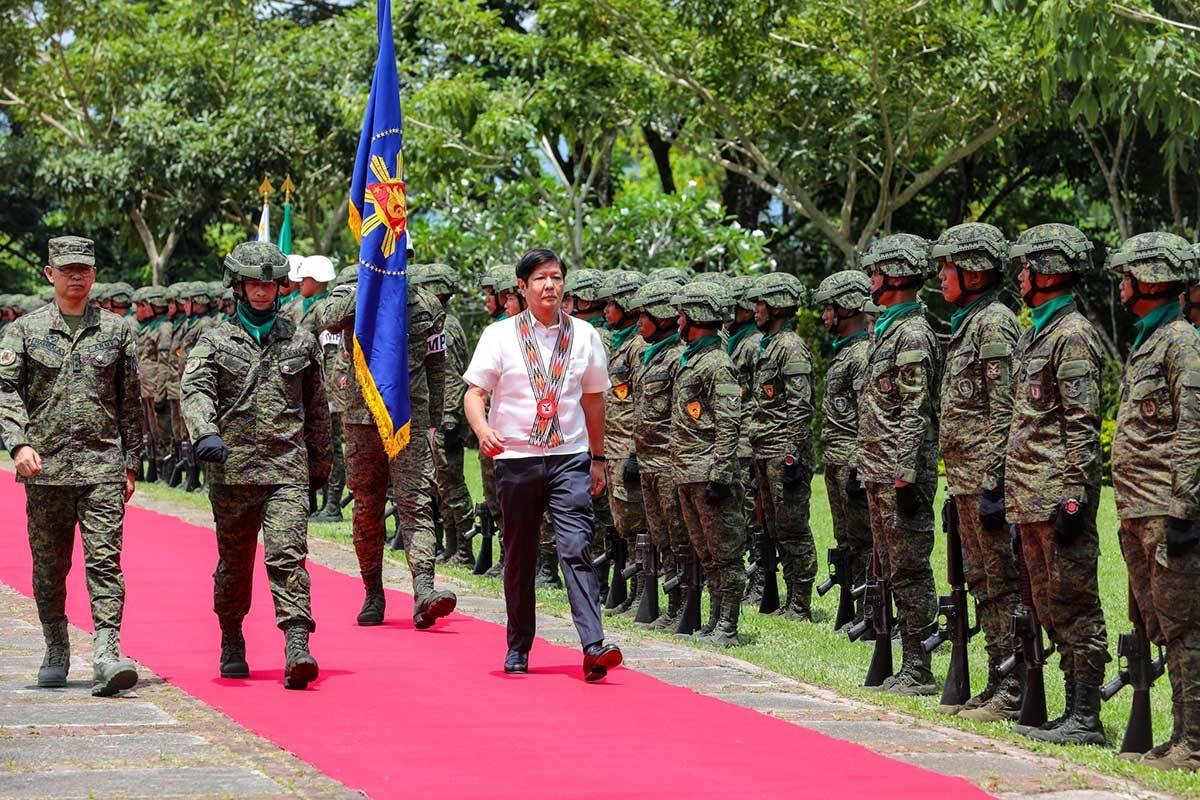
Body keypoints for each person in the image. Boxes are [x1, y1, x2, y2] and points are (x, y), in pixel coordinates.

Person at [463, 248, 622, 681]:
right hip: (516, 459)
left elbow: (593, 399)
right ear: (522, 287)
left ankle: (593, 645)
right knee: (519, 554)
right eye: (539, 279)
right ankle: (518, 645)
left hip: (568, 457)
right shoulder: (499, 336)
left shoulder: (586, 335)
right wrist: (482, 431)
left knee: (576, 547)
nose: (549, 285)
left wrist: (598, 457)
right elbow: (474, 395)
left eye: (555, 277)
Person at [181, 241, 332, 690]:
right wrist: (205, 432)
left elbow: (316, 407)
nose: (262, 291)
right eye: (254, 284)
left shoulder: (300, 340)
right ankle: (231, 636)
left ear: (279, 288)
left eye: (269, 284)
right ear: (238, 287)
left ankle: (297, 645)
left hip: (286, 469)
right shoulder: (213, 338)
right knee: (235, 562)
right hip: (232, 471)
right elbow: (196, 390)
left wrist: (322, 466)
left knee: (288, 557)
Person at [0, 235, 142, 697]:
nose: (76, 276)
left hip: (101, 465)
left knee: (105, 561)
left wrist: (131, 462)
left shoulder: (118, 331)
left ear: (94, 274)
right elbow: (7, 393)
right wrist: (17, 445)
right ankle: (56, 644)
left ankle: (106, 651)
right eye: (67, 269)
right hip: (46, 470)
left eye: (83, 268)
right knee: (49, 566)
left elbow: (130, 402)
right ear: (50, 274)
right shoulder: (23, 332)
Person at [1006, 223, 1108, 744]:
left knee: (1075, 604)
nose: (1020, 275)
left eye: (1027, 267)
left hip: (1056, 497)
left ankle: (1086, 716)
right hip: (1029, 496)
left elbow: (1081, 421)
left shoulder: (1071, 334)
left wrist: (1074, 495)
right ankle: (1070, 709)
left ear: (1048, 271)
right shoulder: (1035, 332)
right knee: (1048, 605)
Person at [316, 260, 459, 629]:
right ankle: (372, 592)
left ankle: (424, 590)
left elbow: (436, 365)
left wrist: (435, 422)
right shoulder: (353, 291)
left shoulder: (426, 304)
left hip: (408, 420)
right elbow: (326, 318)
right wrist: (369, 287)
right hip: (362, 420)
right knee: (367, 508)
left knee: (416, 504)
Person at [1108, 232, 1200, 767]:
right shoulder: (1151, 339)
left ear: (1152, 278)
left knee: (1186, 628)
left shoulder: (1182, 342)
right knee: (1160, 624)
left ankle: (1195, 743)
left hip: (1167, 513)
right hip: (1138, 510)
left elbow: (1192, 431)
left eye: (1127, 275)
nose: (1121, 285)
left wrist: (1184, 508)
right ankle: (1180, 734)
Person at [931, 223, 1023, 720]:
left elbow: (1002, 410)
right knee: (981, 581)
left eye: (950, 266)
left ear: (975, 270)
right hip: (964, 479)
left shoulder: (995, 324)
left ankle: (1012, 690)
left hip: (985, 480)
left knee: (1001, 582)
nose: (942, 275)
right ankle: (996, 680)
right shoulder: (971, 322)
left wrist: (994, 482)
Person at [857, 233, 943, 696]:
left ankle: (919, 665)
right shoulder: (888, 328)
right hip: (879, 468)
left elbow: (913, 408)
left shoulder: (911, 332)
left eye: (876, 271)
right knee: (890, 567)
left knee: (909, 568)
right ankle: (902, 657)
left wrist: (906, 474)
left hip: (899, 473)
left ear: (895, 276)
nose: (871, 279)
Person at [670, 282, 745, 646]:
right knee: (707, 553)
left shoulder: (717, 364)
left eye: (683, 314)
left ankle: (728, 625)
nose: (678, 320)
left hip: (708, 473)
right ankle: (715, 620)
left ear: (698, 316)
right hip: (687, 471)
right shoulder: (694, 359)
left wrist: (721, 473)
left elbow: (729, 423)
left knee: (726, 553)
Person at [746, 271, 817, 621]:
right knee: (773, 528)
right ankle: (786, 598)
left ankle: (800, 602)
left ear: (776, 305)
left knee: (792, 528)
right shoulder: (769, 346)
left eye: (761, 303)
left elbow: (800, 407)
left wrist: (792, 455)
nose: (755, 309)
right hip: (764, 450)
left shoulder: (790, 347)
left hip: (782, 454)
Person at [811, 270, 874, 626]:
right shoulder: (845, 353)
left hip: (852, 462)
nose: (824, 316)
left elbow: (868, 414)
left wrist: (857, 464)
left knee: (863, 541)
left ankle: (870, 611)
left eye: (830, 308)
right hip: (836, 461)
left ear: (848, 308)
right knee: (846, 539)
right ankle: (854, 605)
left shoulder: (861, 355)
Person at [629, 279, 688, 630]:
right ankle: (672, 606)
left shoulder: (678, 358)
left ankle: (685, 606)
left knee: (679, 538)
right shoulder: (651, 355)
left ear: (663, 317)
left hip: (670, 462)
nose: (639, 323)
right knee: (662, 537)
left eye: (645, 315)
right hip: (648, 459)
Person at [411, 263, 476, 567]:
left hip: (446, 419)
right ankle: (451, 546)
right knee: (440, 486)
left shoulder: (445, 327)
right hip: (436, 416)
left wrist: (448, 416)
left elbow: (451, 376)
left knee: (452, 486)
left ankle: (463, 549)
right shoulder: (438, 322)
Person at [295, 255, 346, 523]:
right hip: (316, 386)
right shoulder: (311, 306)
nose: (300, 283)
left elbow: (330, 352)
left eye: (304, 278)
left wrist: (325, 389)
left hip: (328, 388)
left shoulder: (324, 309)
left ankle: (333, 504)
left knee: (332, 446)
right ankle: (322, 501)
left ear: (316, 281)